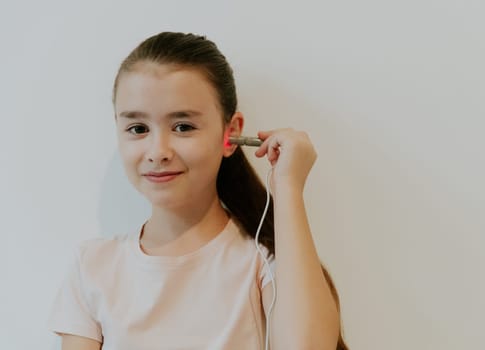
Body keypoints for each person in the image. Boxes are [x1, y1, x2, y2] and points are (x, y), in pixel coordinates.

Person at [48, 32, 349, 350]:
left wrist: (288, 187)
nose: (157, 151)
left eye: (183, 127)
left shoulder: (262, 262)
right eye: (138, 129)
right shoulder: (92, 266)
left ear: (230, 132)